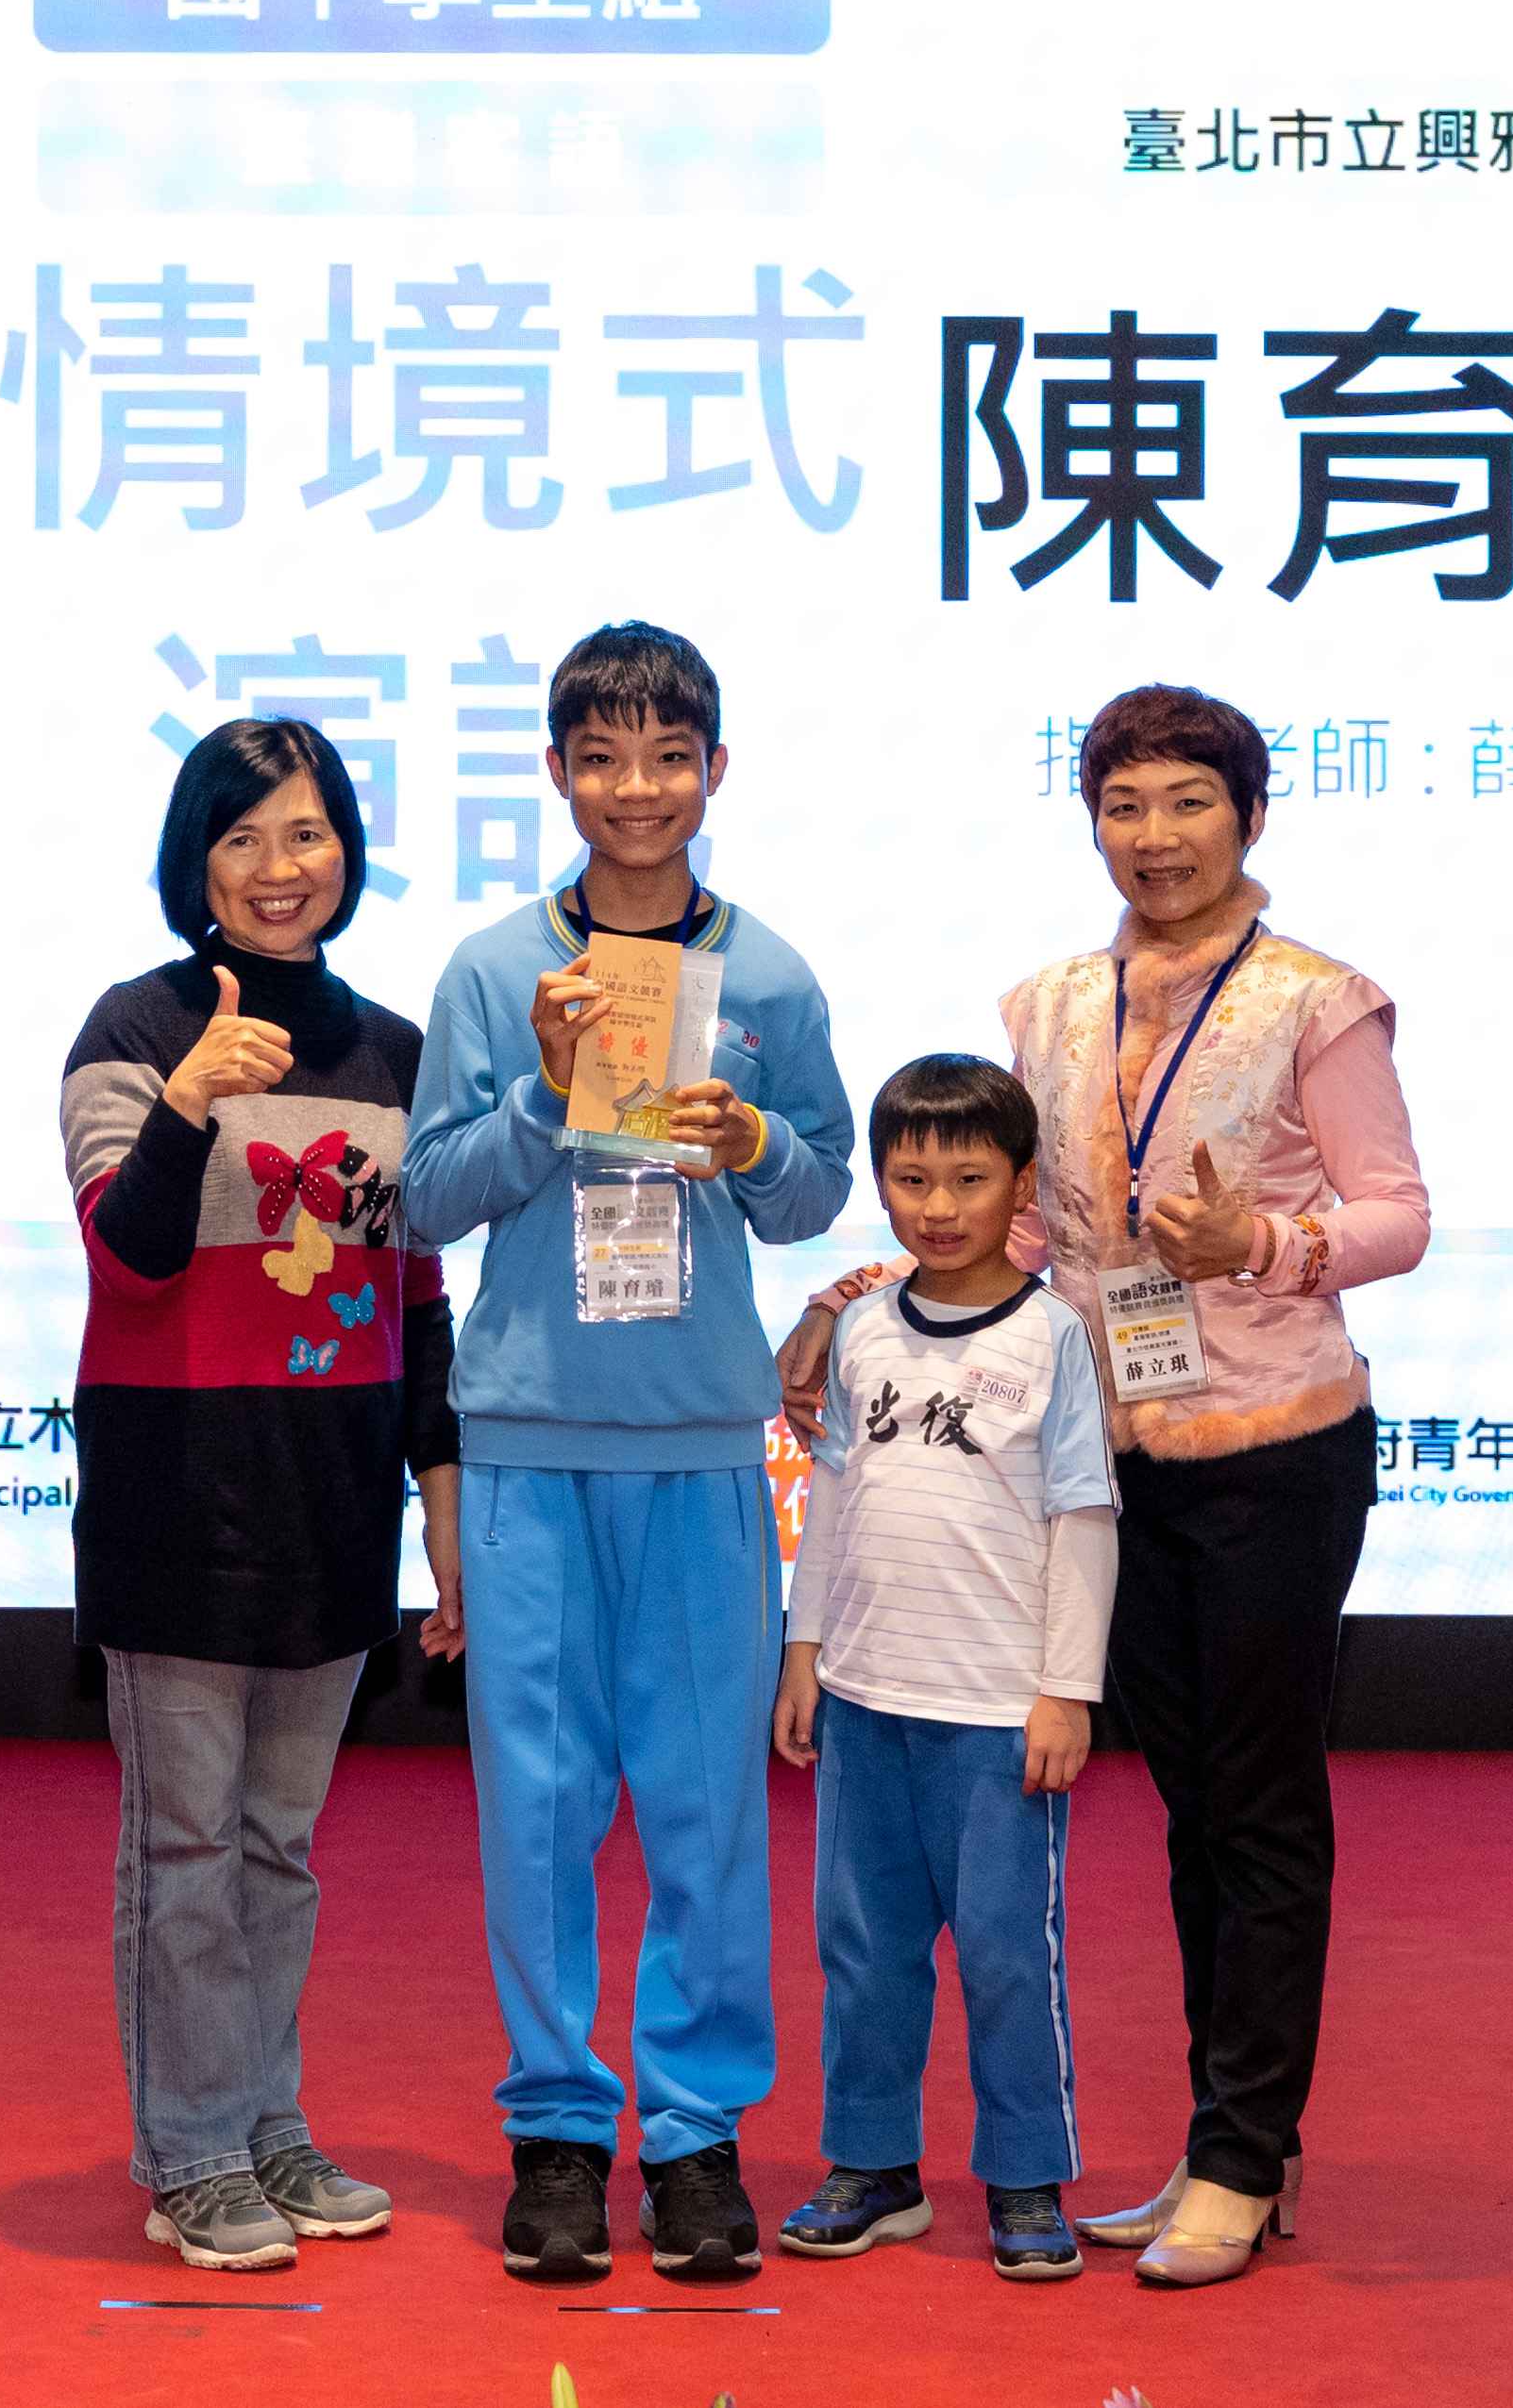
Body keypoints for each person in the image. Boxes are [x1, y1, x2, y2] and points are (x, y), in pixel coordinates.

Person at [779, 682, 1426, 2290]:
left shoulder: (1318, 1001)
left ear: (1250, 815)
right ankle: (1236, 2144)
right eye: (1125, 804)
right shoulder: (1055, 1003)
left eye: (1189, 801)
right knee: (1194, 1811)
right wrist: (869, 1300)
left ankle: (1243, 2153)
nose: (1156, 835)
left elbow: (1399, 1213)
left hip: (1276, 1447)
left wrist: (1260, 1242)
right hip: (1111, 1460)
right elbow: (1025, 1229)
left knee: (1260, 1811)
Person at [401, 619, 857, 2284]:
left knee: (705, 1807)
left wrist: (756, 1142)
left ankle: (694, 2132)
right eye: (602, 756)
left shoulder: (773, 976)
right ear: (557, 770)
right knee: (536, 1805)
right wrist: (538, 1090)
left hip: (699, 1444)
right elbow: (424, 1199)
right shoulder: (491, 969)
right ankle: (554, 2127)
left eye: (668, 755)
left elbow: (822, 1189)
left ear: (715, 769)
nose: (636, 787)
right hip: (528, 1439)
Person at [59, 717, 467, 2276]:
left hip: (335, 1503)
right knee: (183, 1848)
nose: (278, 867)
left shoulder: (394, 1051)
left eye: (306, 833)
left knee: (279, 1848)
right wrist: (187, 1104)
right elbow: (129, 1257)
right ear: (196, 861)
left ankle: (267, 2121)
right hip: (175, 1498)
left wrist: (439, 1501)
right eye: (242, 838)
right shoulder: (132, 1026)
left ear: (346, 849)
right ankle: (191, 2149)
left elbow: (415, 1299)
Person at [769, 1053, 1116, 2285]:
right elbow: (833, 1496)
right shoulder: (862, 1328)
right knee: (863, 1949)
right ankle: (874, 2165)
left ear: (1022, 1184)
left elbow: (1084, 1516)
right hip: (866, 1702)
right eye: (912, 1178)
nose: (940, 1204)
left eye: (970, 1178)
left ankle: (1025, 2175)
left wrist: (1065, 1689)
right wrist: (804, 1651)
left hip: (996, 1717)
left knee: (1010, 1955)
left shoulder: (1053, 1334)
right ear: (880, 1183)